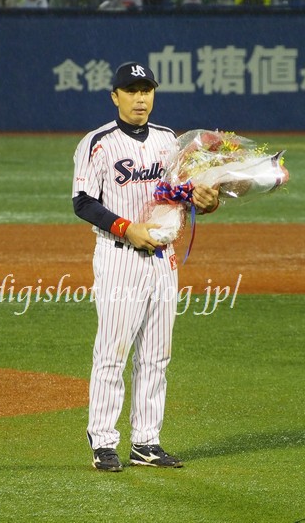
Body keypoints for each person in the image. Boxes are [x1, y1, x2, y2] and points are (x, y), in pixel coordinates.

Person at [72, 62, 219, 472]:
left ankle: (146, 443)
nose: (140, 98)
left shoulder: (169, 140)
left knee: (156, 356)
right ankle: (103, 442)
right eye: (131, 90)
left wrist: (208, 201)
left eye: (146, 90)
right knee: (112, 353)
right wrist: (125, 227)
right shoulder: (97, 142)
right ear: (115, 96)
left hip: (163, 261)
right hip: (119, 256)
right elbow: (82, 201)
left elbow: (183, 193)